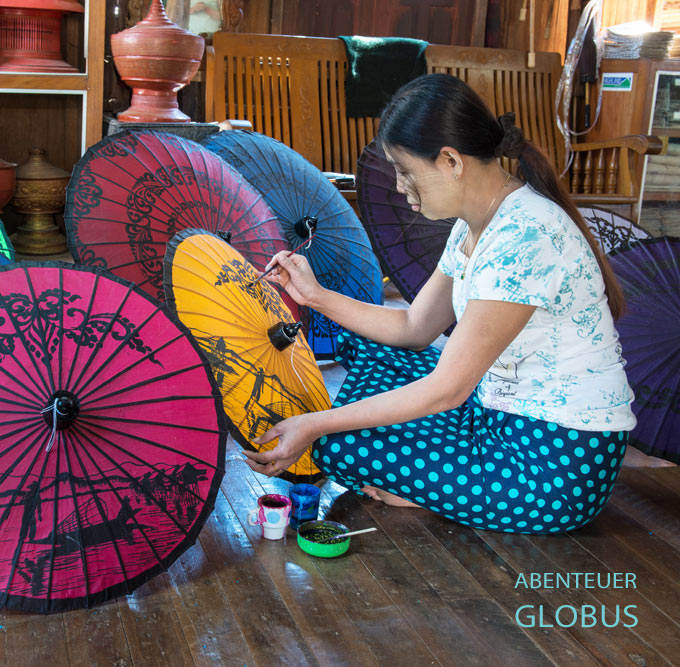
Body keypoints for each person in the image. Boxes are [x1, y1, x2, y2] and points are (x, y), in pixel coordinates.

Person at [243, 73, 636, 534]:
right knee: (373, 349)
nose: (399, 184)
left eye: (406, 170)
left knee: (336, 446)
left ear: (450, 160)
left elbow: (447, 388)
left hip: (551, 461)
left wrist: (315, 424)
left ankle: (441, 491)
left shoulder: (523, 236)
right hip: (496, 413)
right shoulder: (476, 224)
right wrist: (316, 296)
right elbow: (414, 326)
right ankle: (440, 484)